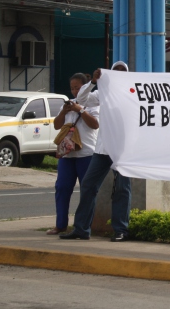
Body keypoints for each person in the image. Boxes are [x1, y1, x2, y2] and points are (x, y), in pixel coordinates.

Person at [60, 61, 133, 242]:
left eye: (122, 72)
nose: (118, 75)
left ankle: (121, 230)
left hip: (123, 148)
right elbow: (82, 99)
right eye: (114, 72)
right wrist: (93, 81)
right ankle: (82, 229)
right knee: (88, 186)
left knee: (122, 189)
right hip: (103, 148)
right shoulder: (103, 93)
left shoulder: (133, 93)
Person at [46, 73, 100, 235]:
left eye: (78, 88)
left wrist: (81, 110)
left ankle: (83, 226)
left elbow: (95, 124)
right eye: (72, 88)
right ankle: (60, 224)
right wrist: (64, 112)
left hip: (87, 154)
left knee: (87, 191)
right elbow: (56, 126)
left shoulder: (94, 104)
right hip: (67, 155)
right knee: (62, 188)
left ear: (85, 87)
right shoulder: (68, 105)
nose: (75, 91)